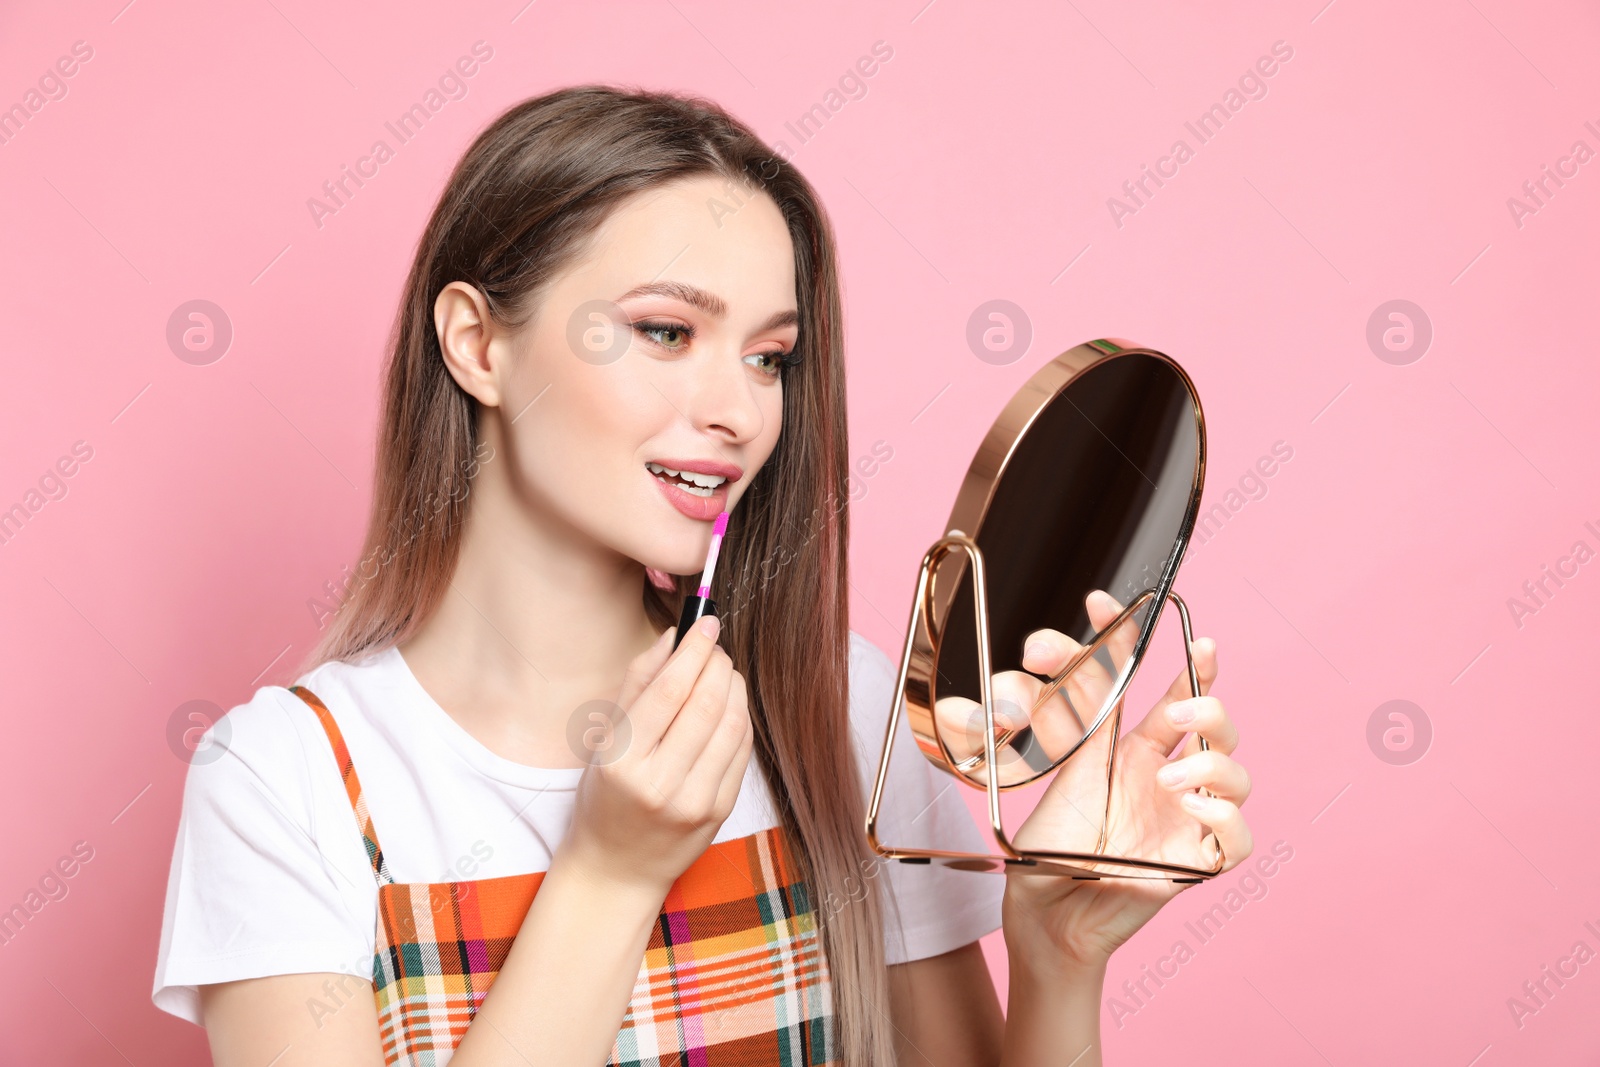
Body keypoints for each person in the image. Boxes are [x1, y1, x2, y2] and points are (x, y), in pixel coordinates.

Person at [151, 85, 1253, 1067]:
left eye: (769, 356)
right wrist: (611, 872)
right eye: (666, 330)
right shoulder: (287, 785)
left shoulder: (839, 710)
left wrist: (1059, 955)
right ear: (478, 344)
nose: (739, 411)